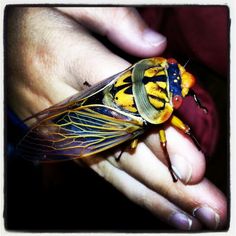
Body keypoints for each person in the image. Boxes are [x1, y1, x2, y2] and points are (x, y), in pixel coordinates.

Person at [6, 7, 227, 230]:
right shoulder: (162, 112)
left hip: (110, 105)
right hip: (109, 121)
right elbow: (165, 138)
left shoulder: (149, 69)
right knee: (138, 140)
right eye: (172, 65)